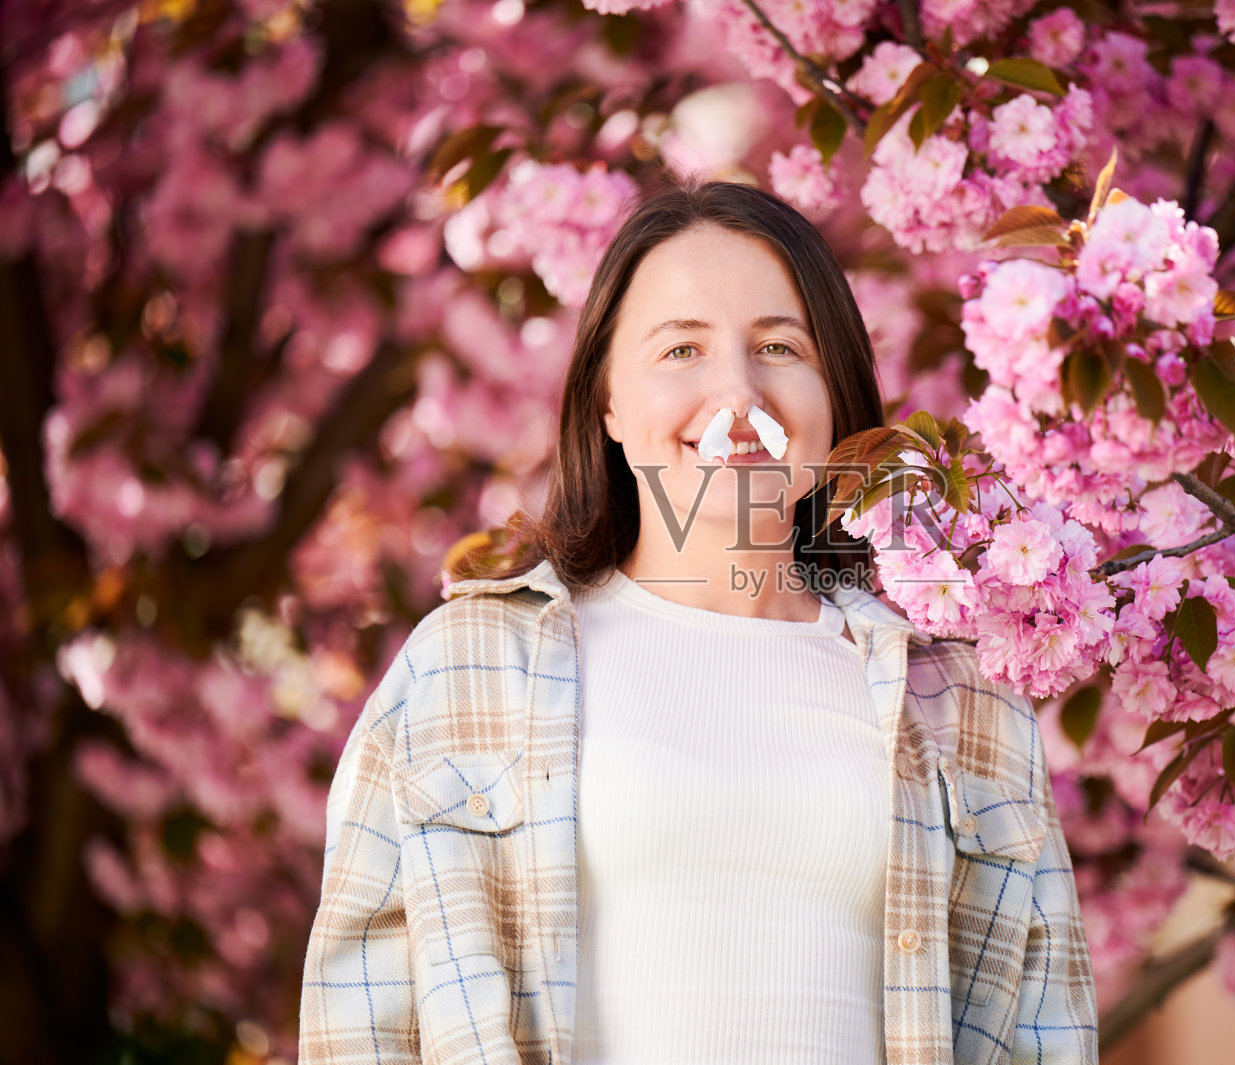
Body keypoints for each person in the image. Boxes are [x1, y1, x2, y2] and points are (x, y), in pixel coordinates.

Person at [298, 180, 1098, 1065]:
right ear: (605, 401)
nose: (736, 391)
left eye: (779, 346)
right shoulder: (465, 666)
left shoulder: (959, 698)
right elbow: (361, 1027)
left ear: (835, 390)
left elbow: (1043, 1033)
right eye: (681, 348)